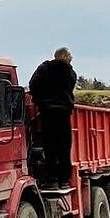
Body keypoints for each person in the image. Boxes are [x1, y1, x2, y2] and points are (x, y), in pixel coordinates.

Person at [29, 47, 77, 188]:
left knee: (50, 147)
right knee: (64, 147)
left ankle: (51, 180)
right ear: (64, 56)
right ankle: (64, 181)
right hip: (63, 113)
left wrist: (40, 100)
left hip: (47, 112)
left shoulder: (45, 68)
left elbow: (33, 84)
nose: (71, 58)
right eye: (70, 55)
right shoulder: (69, 72)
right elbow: (71, 85)